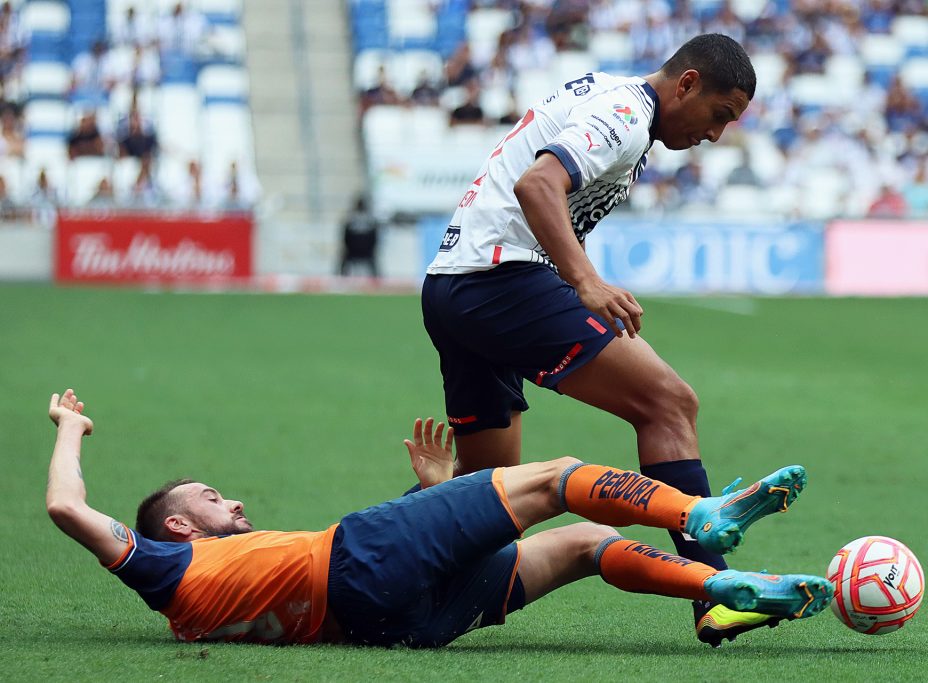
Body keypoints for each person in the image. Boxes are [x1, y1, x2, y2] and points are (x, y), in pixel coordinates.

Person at [420, 33, 769, 647]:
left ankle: (351, 575)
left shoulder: (615, 98)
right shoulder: (628, 115)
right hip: (500, 277)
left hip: (454, 286)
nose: (716, 135)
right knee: (668, 402)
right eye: (719, 115)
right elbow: (536, 185)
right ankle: (716, 592)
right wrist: (584, 280)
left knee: (488, 490)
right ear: (686, 83)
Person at [46, 388, 833, 647]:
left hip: (392, 623)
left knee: (589, 544)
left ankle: (724, 589)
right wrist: (71, 430)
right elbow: (65, 505)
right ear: (176, 528)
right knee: (557, 477)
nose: (234, 501)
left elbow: (378, 586)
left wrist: (433, 498)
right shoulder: (162, 565)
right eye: (211, 500)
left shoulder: (199, 602)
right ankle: (704, 511)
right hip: (359, 558)